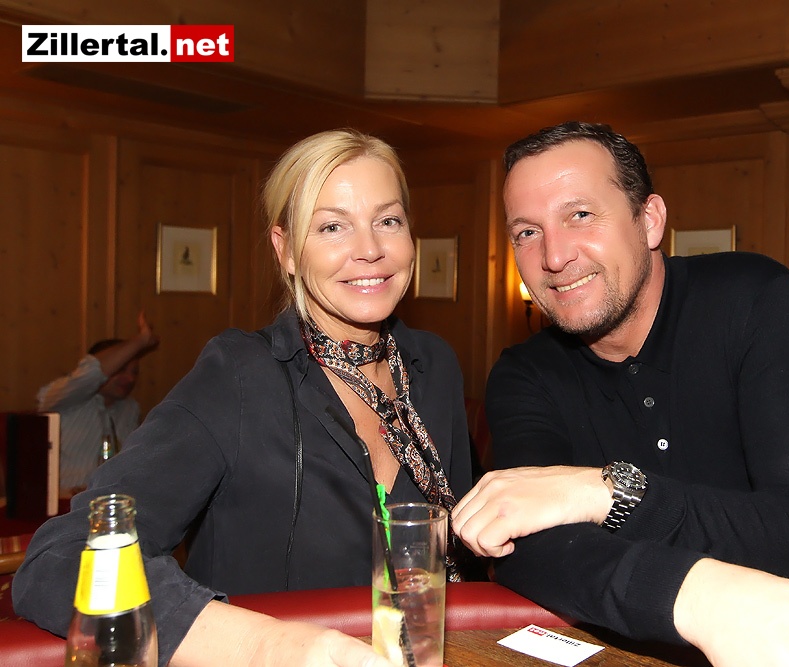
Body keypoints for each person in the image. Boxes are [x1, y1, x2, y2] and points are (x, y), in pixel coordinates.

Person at [452, 121, 789, 666]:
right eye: (527, 232)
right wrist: (699, 598)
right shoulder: (523, 374)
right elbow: (530, 551)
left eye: (580, 215)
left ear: (649, 220)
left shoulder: (752, 301)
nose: (553, 257)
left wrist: (606, 493)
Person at [15, 129, 473, 667]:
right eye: (332, 226)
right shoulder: (238, 375)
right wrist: (267, 646)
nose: (370, 249)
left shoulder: (434, 366)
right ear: (286, 251)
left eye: (388, 221)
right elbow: (62, 556)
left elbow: (459, 555)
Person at [37, 312, 159, 496]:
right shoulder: (65, 397)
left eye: (134, 372)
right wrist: (140, 341)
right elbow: (91, 372)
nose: (130, 379)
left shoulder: (130, 408)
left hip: (108, 501)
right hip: (62, 501)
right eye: (121, 369)